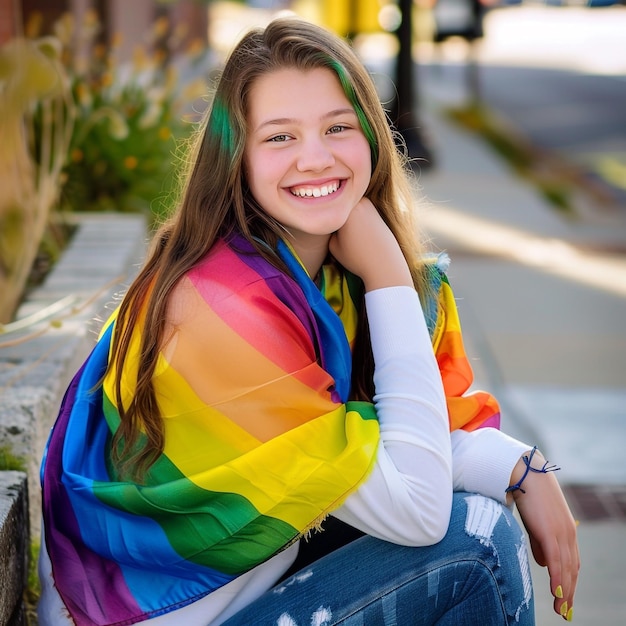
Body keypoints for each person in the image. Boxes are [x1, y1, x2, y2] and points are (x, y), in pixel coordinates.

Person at [38, 16, 579, 626]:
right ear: (235, 157)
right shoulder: (221, 311)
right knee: (474, 541)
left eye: (337, 127)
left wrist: (521, 464)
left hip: (249, 591)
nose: (315, 159)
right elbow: (420, 507)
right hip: (165, 614)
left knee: (481, 510)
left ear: (371, 136)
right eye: (279, 137)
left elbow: (399, 440)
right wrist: (388, 276)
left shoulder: (321, 282)